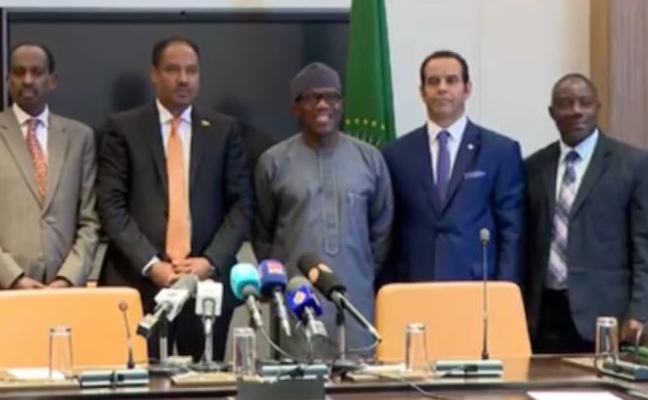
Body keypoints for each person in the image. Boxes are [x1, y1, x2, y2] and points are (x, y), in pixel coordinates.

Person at [97, 36, 255, 362]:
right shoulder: (123, 129)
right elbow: (110, 205)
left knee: (203, 381)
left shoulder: (223, 130)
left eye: (191, 71)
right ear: (154, 74)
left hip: (206, 285)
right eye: (173, 70)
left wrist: (209, 262)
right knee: (140, 381)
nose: (183, 79)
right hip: (139, 282)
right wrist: (152, 265)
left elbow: (242, 206)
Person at [0, 43, 99, 364]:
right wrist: (14, 278)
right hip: (1, 298)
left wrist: (67, 278)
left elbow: (90, 220)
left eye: (37, 72)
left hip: (65, 302)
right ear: (8, 79)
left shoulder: (79, 136)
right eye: (19, 72)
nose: (28, 80)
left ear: (53, 80)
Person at [254, 62, 393, 360]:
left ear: (342, 104)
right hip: (295, 301)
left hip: (355, 303)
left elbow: (382, 228)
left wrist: (362, 273)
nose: (322, 105)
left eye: (331, 96)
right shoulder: (273, 162)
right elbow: (262, 231)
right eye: (312, 97)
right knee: (297, 379)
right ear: (295, 107)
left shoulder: (370, 159)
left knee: (360, 380)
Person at [524, 73, 648, 353]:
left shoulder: (636, 165)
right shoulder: (533, 167)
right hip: (543, 317)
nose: (576, 111)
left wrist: (643, 311)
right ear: (552, 113)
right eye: (566, 104)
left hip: (608, 317)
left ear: (597, 108)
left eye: (585, 103)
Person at [381, 50, 524, 283]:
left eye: (451, 80)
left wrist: (504, 291)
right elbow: (387, 229)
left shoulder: (499, 151)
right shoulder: (395, 154)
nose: (442, 88)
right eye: (433, 82)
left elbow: (512, 229)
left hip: (478, 287)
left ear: (467, 89)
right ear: (422, 92)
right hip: (413, 286)